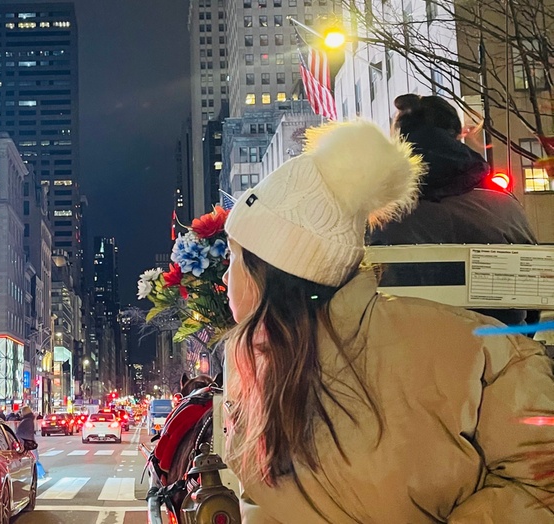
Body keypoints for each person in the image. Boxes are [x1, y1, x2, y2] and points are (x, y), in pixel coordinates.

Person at [222, 120, 554, 522]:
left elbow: (540, 476)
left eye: (234, 257)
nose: (224, 277)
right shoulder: (253, 362)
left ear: (270, 274)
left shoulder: (477, 352)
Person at [370, 94, 538, 327]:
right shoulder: (504, 207)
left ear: (399, 139)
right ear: (457, 135)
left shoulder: (373, 214)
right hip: (499, 350)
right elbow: (532, 301)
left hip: (402, 351)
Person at [16, 406, 46, 478]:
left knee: (33, 459)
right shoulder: (29, 420)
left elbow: (22, 433)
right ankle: (40, 473)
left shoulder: (26, 421)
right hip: (29, 442)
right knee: (34, 459)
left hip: (27, 442)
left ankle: (39, 473)